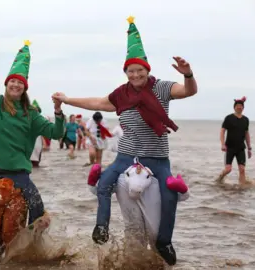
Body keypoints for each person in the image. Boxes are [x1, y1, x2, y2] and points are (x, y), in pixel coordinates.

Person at [52, 16, 198, 266]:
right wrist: (67, 99)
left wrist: (188, 75)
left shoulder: (161, 88)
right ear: (126, 72)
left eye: (140, 70)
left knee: (170, 193)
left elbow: (188, 91)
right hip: (125, 156)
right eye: (131, 71)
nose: (135, 74)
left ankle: (164, 241)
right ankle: (101, 228)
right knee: (104, 184)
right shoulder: (121, 94)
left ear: (147, 70)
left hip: (158, 158)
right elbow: (97, 103)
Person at [0, 40, 64, 259]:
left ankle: (32, 253)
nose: (15, 85)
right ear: (6, 84)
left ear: (25, 87)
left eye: (20, 83)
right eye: (12, 81)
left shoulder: (31, 114)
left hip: (18, 176)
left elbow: (56, 133)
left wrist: (58, 111)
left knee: (37, 211)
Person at [217, 96, 252, 185]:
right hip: (230, 148)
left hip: (240, 148)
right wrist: (223, 144)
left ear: (243, 108)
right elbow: (222, 131)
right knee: (228, 169)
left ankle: (241, 188)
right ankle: (219, 179)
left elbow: (246, 134)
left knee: (242, 169)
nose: (239, 107)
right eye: (238, 105)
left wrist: (249, 148)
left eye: (241, 106)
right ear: (234, 107)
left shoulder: (246, 120)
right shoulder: (229, 118)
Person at [30, 100, 45, 167]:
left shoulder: (40, 120)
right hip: (29, 143)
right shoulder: (26, 119)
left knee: (36, 163)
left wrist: (44, 143)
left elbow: (42, 133)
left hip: (38, 143)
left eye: (36, 110)